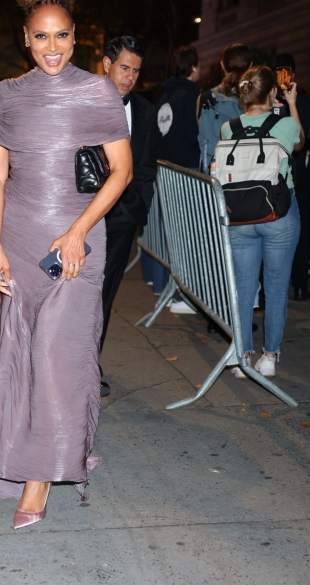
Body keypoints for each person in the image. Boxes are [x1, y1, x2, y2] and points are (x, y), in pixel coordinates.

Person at [0, 0, 132, 528]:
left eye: (61, 36)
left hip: (77, 241)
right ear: (25, 39)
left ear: (75, 36)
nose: (51, 47)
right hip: (20, 238)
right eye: (40, 36)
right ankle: (37, 450)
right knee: (21, 358)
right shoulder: (5, 96)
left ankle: (39, 480)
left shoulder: (97, 90)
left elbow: (121, 172)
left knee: (58, 358)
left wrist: (79, 230)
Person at [221, 65, 304, 379]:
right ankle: (269, 357)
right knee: (277, 287)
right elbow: (299, 142)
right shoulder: (284, 124)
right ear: (272, 92)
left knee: (243, 288)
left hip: (240, 216)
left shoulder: (229, 128)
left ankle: (242, 355)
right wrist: (291, 104)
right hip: (279, 215)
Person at [100, 36, 159, 395]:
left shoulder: (146, 111)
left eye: (136, 71)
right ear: (107, 64)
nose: (130, 77)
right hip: (79, 218)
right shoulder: (81, 101)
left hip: (121, 218)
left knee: (104, 296)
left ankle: (89, 365)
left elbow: (147, 166)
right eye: (124, 67)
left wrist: (138, 207)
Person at [154, 45, 201, 314]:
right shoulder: (192, 94)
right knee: (190, 237)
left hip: (167, 175)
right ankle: (186, 294)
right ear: (193, 67)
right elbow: (195, 133)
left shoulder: (165, 96)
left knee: (176, 235)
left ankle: (178, 291)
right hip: (187, 174)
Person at [271, 53, 310, 301]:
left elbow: (301, 140)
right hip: (285, 173)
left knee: (295, 228)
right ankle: (298, 285)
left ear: (292, 75)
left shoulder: (301, 100)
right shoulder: (272, 100)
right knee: (296, 228)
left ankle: (297, 284)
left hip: (292, 172)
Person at [198, 43, 252, 172]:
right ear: (251, 66)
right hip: (249, 179)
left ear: (222, 65)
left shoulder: (205, 98)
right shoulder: (258, 99)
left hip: (213, 178)